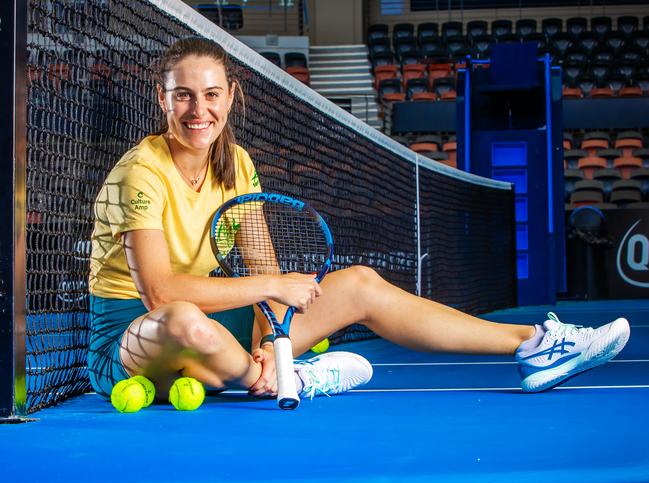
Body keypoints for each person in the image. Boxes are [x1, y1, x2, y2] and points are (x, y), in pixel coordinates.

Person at [88, 37, 630, 403]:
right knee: (184, 319)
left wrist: (273, 340)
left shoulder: (238, 165)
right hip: (138, 338)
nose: (197, 110)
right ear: (162, 99)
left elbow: (263, 267)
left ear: (231, 96)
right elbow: (160, 293)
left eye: (210, 94)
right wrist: (275, 293)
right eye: (182, 95)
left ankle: (534, 344)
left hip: (219, 324)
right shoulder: (142, 171)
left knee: (363, 285)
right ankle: (286, 379)